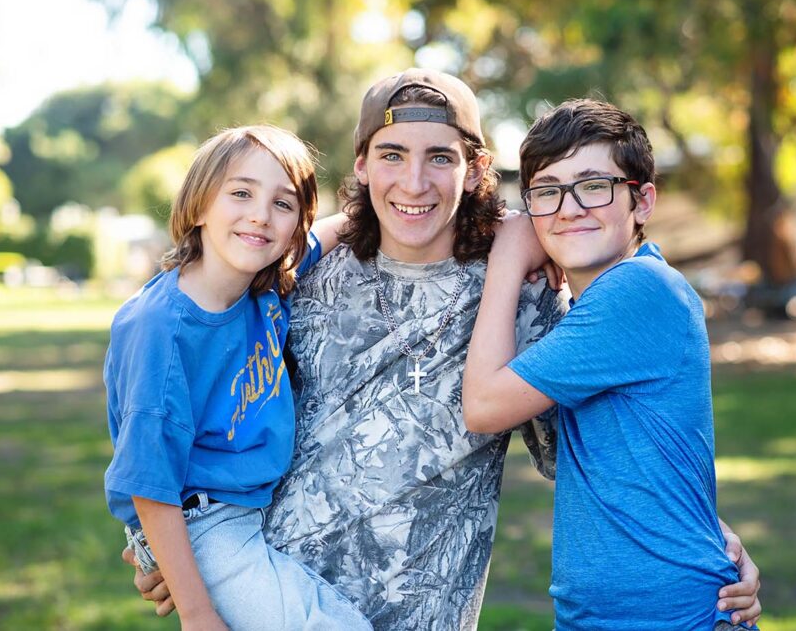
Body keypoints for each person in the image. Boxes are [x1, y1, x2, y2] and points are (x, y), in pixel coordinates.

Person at [125, 71, 762, 629]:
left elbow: (594, 450)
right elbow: (176, 389)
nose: (414, 181)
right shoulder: (296, 274)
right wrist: (169, 549)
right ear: (363, 166)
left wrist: (707, 534)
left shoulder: (525, 293)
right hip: (276, 594)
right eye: (392, 154)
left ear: (474, 169)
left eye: (441, 157)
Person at [462, 98, 760, 629]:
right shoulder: (600, 306)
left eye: (594, 185)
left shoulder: (639, 289)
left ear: (642, 201)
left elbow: (483, 405)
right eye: (548, 191)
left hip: (670, 617)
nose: (570, 208)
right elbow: (638, 462)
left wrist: (507, 257)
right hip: (603, 615)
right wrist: (711, 528)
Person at [104, 125, 371, 630]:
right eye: (242, 193)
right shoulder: (161, 327)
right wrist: (197, 613)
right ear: (200, 205)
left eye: (283, 203)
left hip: (250, 505)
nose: (260, 215)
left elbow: (334, 229)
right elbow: (148, 479)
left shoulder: (262, 287)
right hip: (198, 519)